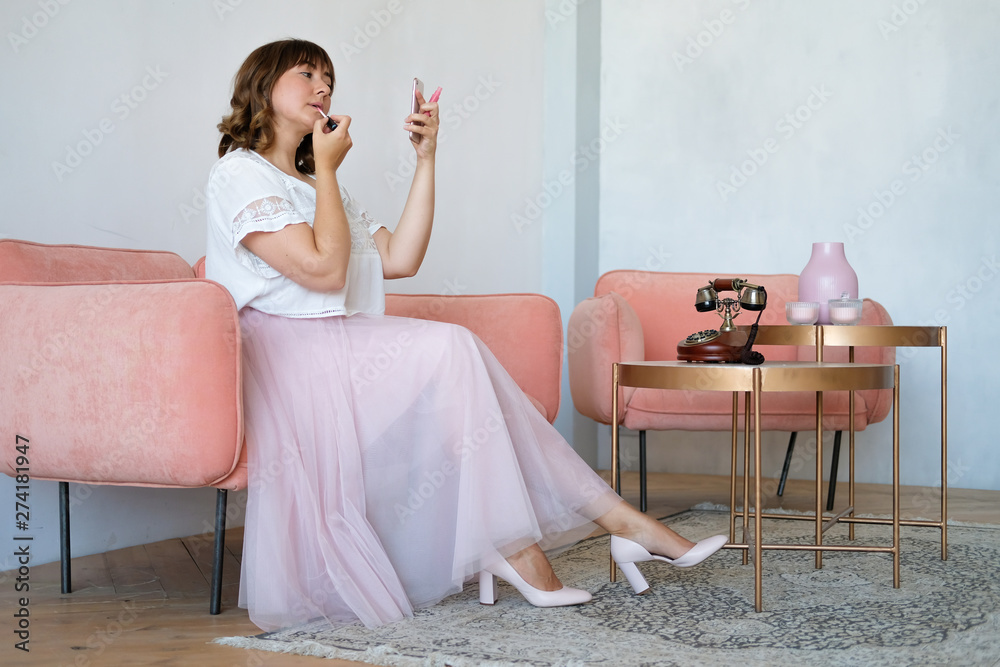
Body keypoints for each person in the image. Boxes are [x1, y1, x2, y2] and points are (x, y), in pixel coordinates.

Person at [205, 39, 727, 632]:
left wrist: (426, 158)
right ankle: (581, 535)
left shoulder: (316, 184)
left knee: (464, 371)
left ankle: (568, 536)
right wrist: (326, 167)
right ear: (263, 84)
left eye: (329, 77)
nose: (323, 87)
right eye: (307, 74)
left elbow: (401, 258)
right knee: (453, 349)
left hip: (338, 350)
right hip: (286, 359)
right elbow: (323, 271)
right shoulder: (240, 174)